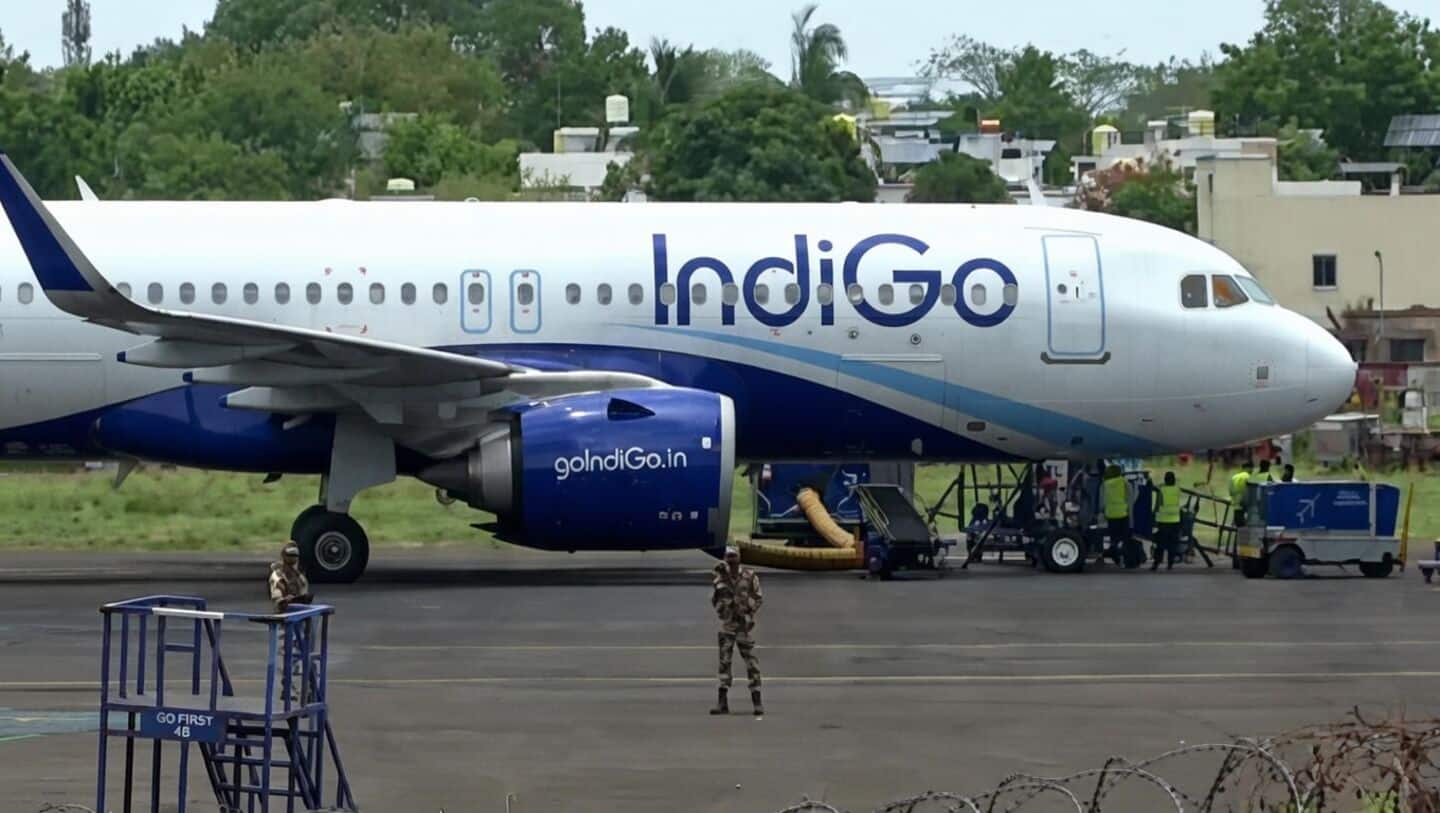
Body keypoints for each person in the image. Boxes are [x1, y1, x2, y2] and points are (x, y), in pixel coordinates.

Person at [710, 545, 764, 716]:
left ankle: (757, 700)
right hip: (728, 625)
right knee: (724, 663)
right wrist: (723, 611)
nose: (731, 560)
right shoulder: (720, 579)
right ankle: (722, 702)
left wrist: (749, 612)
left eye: (734, 556)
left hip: (743, 626)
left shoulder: (749, 577)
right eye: (728, 557)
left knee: (751, 663)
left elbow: (758, 597)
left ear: (739, 558)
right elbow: (715, 600)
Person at [1102, 464, 1139, 568]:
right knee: (1125, 539)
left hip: (1110, 515)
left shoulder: (1105, 484)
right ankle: (1126, 561)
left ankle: (1116, 559)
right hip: (1123, 514)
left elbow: (1102, 502)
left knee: (1114, 539)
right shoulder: (1124, 482)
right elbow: (1132, 498)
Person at [269, 542, 313, 614]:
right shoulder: (277, 576)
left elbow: (304, 592)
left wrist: (302, 597)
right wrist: (285, 599)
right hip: (283, 613)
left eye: (295, 556)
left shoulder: (300, 577)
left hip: (300, 612)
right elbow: (278, 598)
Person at [1151, 472, 1183, 571]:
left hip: (1164, 520)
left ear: (1165, 480)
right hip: (1175, 519)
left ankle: (1156, 563)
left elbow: (1158, 505)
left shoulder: (1162, 490)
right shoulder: (1177, 489)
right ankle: (1170, 564)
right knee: (1172, 543)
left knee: (1160, 543)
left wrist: (1154, 517)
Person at [1229, 461, 1253, 526]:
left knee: (1238, 525)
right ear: (1248, 468)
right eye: (1251, 468)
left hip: (1236, 505)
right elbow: (1250, 491)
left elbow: (1230, 491)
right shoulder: (1248, 477)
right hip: (1244, 505)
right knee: (1244, 526)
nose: (1252, 470)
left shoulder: (1234, 477)